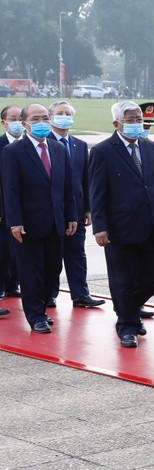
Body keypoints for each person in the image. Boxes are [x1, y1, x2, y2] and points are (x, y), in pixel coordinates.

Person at [89, 101, 154, 348]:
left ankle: (129, 308)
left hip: (153, 226)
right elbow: (97, 192)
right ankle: (127, 326)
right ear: (117, 124)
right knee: (122, 279)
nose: (137, 124)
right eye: (131, 120)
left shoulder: (151, 147)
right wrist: (100, 227)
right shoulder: (102, 151)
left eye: (138, 119)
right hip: (120, 228)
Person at [1, 103, 77, 333]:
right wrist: (14, 221)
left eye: (45, 117)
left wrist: (71, 216)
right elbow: (10, 189)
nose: (42, 122)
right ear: (25, 124)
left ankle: (41, 309)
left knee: (52, 270)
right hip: (27, 224)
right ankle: (35, 316)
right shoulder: (13, 151)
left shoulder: (58, 149)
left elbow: (66, 187)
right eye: (35, 119)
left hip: (56, 221)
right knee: (30, 271)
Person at [48, 101, 104, 309]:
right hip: (52, 211)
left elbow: (85, 179)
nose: (64, 116)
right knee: (53, 255)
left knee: (77, 254)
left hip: (77, 209)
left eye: (67, 113)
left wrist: (88, 208)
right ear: (51, 117)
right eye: (59, 113)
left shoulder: (79, 145)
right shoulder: (45, 143)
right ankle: (49, 294)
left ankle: (80, 294)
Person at [0, 105, 24, 301]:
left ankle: (13, 284)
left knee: (19, 247)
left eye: (20, 118)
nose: (17, 122)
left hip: (24, 206)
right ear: (4, 122)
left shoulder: (29, 145)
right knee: (2, 248)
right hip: (3, 206)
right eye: (13, 118)